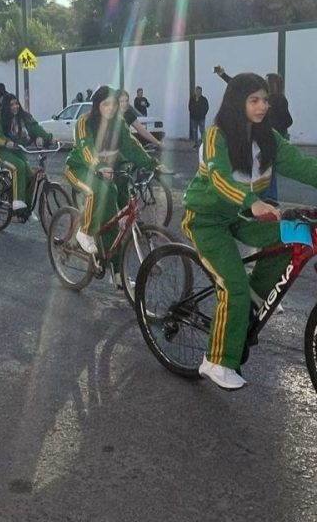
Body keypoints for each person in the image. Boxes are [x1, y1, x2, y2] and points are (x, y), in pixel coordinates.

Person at [181, 73, 317, 390]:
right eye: (254, 99)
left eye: (265, 100)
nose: (262, 106)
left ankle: (254, 298)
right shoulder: (217, 135)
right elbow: (218, 178)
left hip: (242, 213)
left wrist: (251, 205)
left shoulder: (269, 138)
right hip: (207, 218)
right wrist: (252, 201)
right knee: (234, 287)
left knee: (293, 235)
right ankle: (216, 361)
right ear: (237, 101)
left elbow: (303, 166)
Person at [64, 86, 157, 286]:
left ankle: (117, 275)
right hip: (80, 169)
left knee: (115, 221)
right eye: (105, 103)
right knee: (100, 191)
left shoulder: (119, 124)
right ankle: (84, 231)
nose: (110, 108)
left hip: (108, 171)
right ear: (97, 105)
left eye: (113, 104)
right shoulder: (85, 122)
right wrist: (98, 166)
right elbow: (86, 148)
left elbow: (131, 147)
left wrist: (153, 165)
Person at [0, 93, 52, 210]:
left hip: (17, 150)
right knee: (18, 167)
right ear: (6, 107)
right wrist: (5, 142)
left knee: (30, 176)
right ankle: (17, 202)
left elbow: (35, 127)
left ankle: (27, 208)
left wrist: (49, 138)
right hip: (1, 151)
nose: (15, 107)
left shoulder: (23, 116)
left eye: (16, 103)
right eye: (11, 105)